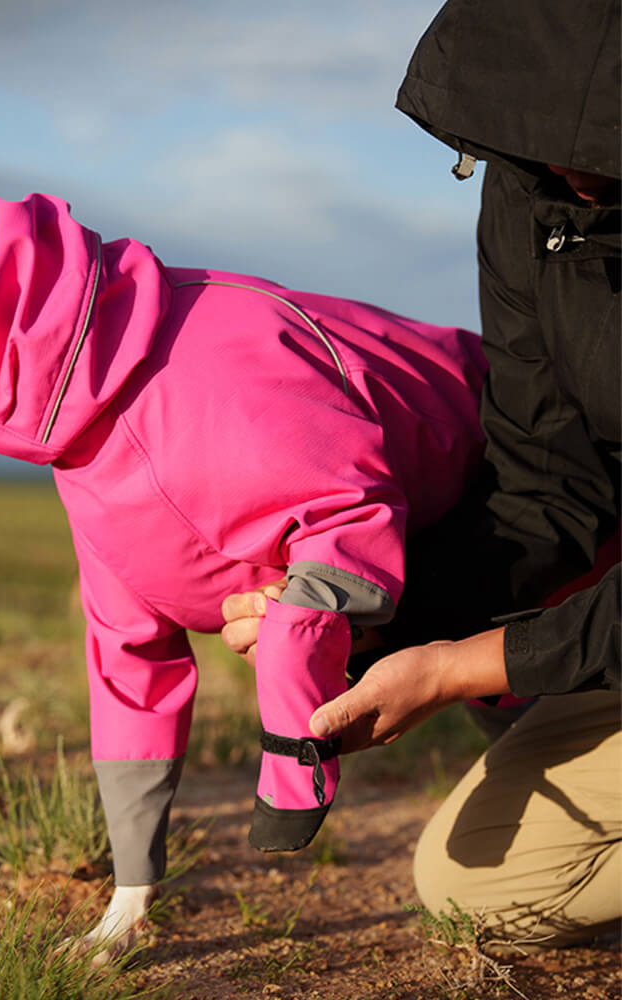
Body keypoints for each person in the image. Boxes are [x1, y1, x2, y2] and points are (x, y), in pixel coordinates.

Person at [222, 0, 620, 951]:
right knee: (478, 882)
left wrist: (459, 668)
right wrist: (365, 618)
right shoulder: (542, 191)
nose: (569, 170)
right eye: (540, 133)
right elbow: (548, 490)